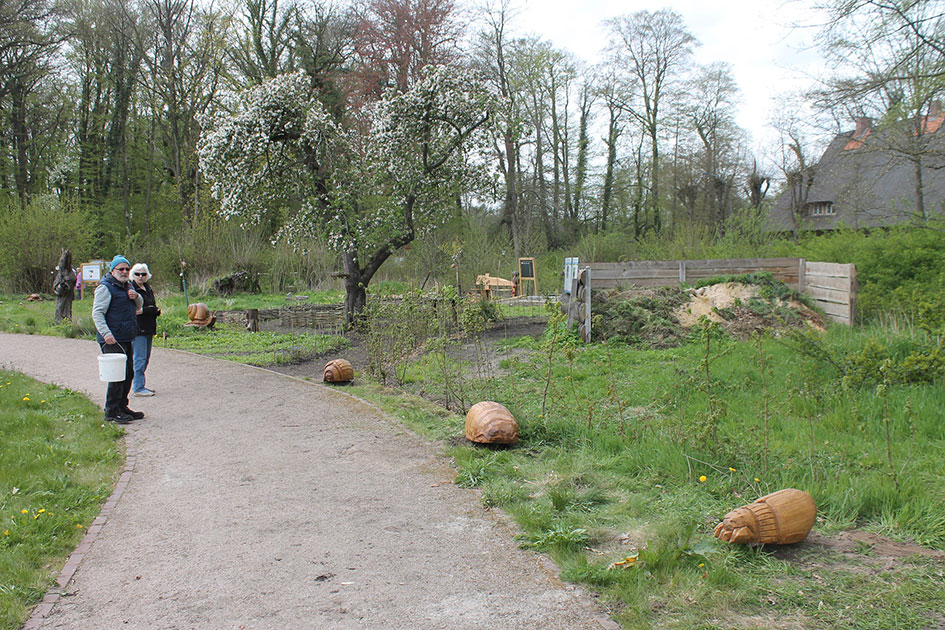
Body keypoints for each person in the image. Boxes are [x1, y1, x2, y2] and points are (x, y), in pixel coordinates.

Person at [92, 255, 145, 424]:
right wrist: (106, 334)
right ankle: (111, 411)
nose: (124, 272)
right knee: (116, 376)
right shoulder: (105, 288)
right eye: (120, 269)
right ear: (112, 270)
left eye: (126, 269)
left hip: (126, 336)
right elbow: (97, 313)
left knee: (128, 374)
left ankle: (122, 406)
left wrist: (136, 297)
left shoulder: (127, 286)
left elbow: (139, 306)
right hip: (112, 338)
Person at [130, 262, 160, 397]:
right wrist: (150, 310)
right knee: (139, 358)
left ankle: (140, 384)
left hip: (149, 327)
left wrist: (149, 310)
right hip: (138, 328)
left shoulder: (147, 288)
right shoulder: (131, 289)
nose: (140, 276)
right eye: (137, 274)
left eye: (143, 274)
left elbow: (152, 307)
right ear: (133, 275)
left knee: (146, 358)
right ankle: (138, 387)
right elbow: (136, 310)